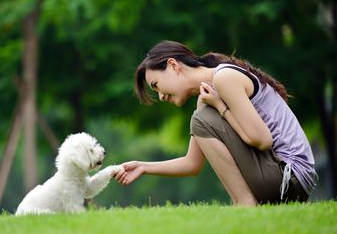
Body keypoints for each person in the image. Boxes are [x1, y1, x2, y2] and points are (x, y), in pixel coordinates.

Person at [113, 40, 317, 205]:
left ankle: (245, 203)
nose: (160, 96)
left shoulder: (224, 78)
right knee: (201, 119)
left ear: (173, 65)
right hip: (278, 176)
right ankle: (243, 203)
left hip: (291, 179)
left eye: (156, 85)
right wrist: (143, 167)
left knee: (201, 120)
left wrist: (221, 107)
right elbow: (192, 164)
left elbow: (263, 140)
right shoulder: (207, 98)